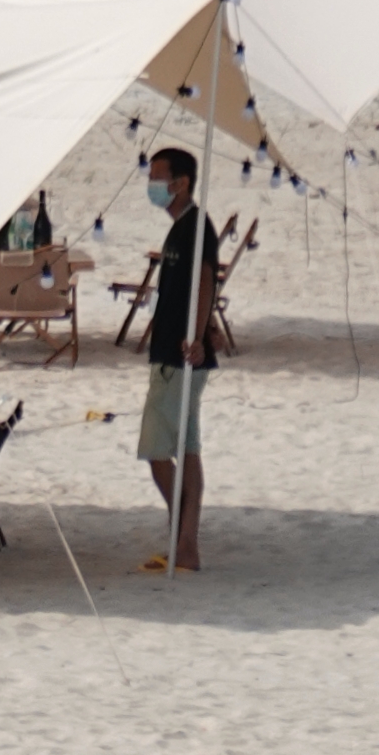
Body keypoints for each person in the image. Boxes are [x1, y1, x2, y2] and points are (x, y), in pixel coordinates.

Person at [138, 142, 220, 570]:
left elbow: (207, 280)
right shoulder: (182, 226)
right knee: (186, 448)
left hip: (181, 355)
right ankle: (185, 544)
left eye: (157, 177)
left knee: (156, 450)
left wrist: (198, 334)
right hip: (178, 351)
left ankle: (182, 534)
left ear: (180, 183)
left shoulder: (196, 225)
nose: (152, 185)